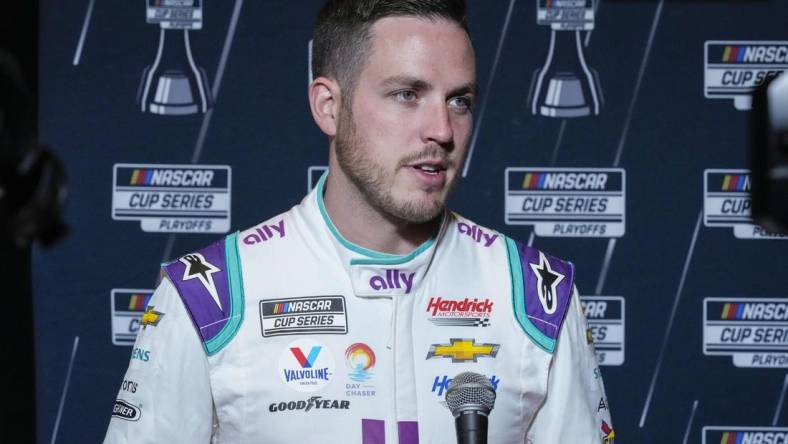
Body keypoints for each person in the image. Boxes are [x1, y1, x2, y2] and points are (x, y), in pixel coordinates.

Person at [104, 1, 613, 442]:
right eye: (407, 94)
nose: (442, 130)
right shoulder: (209, 296)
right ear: (328, 106)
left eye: (459, 100)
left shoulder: (538, 295)